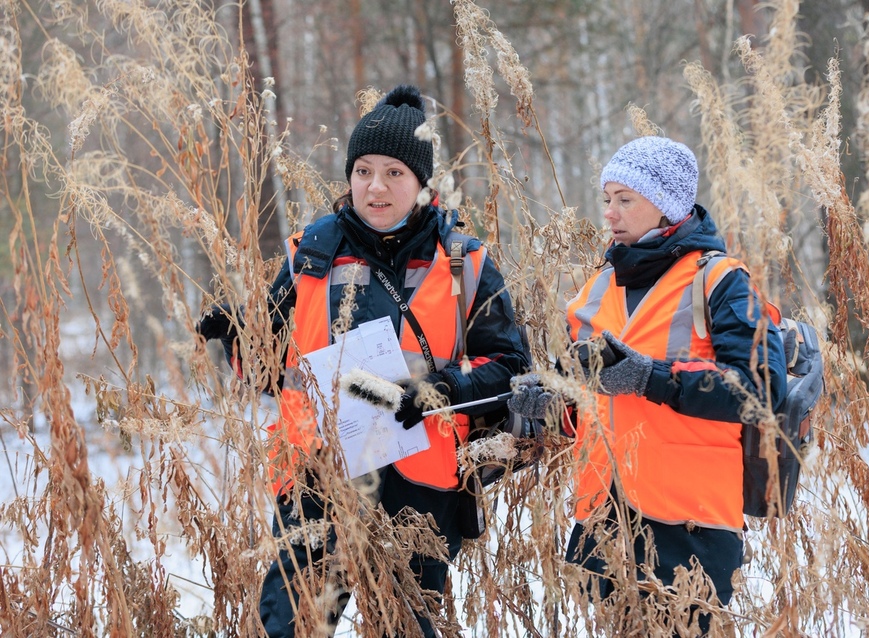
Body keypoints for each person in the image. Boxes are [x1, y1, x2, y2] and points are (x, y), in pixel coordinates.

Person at [199, 85, 528, 637]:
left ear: (422, 184)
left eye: (394, 172)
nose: (375, 186)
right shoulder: (310, 253)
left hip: (419, 490)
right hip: (316, 479)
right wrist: (235, 338)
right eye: (363, 170)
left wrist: (440, 391)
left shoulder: (464, 263)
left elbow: (510, 367)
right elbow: (272, 374)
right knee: (291, 627)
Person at [508, 136, 787, 634]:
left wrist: (650, 378)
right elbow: (582, 398)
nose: (610, 213)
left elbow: (760, 392)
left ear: (666, 204)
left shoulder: (721, 281)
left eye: (626, 199)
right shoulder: (595, 290)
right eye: (607, 199)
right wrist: (546, 404)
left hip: (690, 524)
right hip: (603, 515)